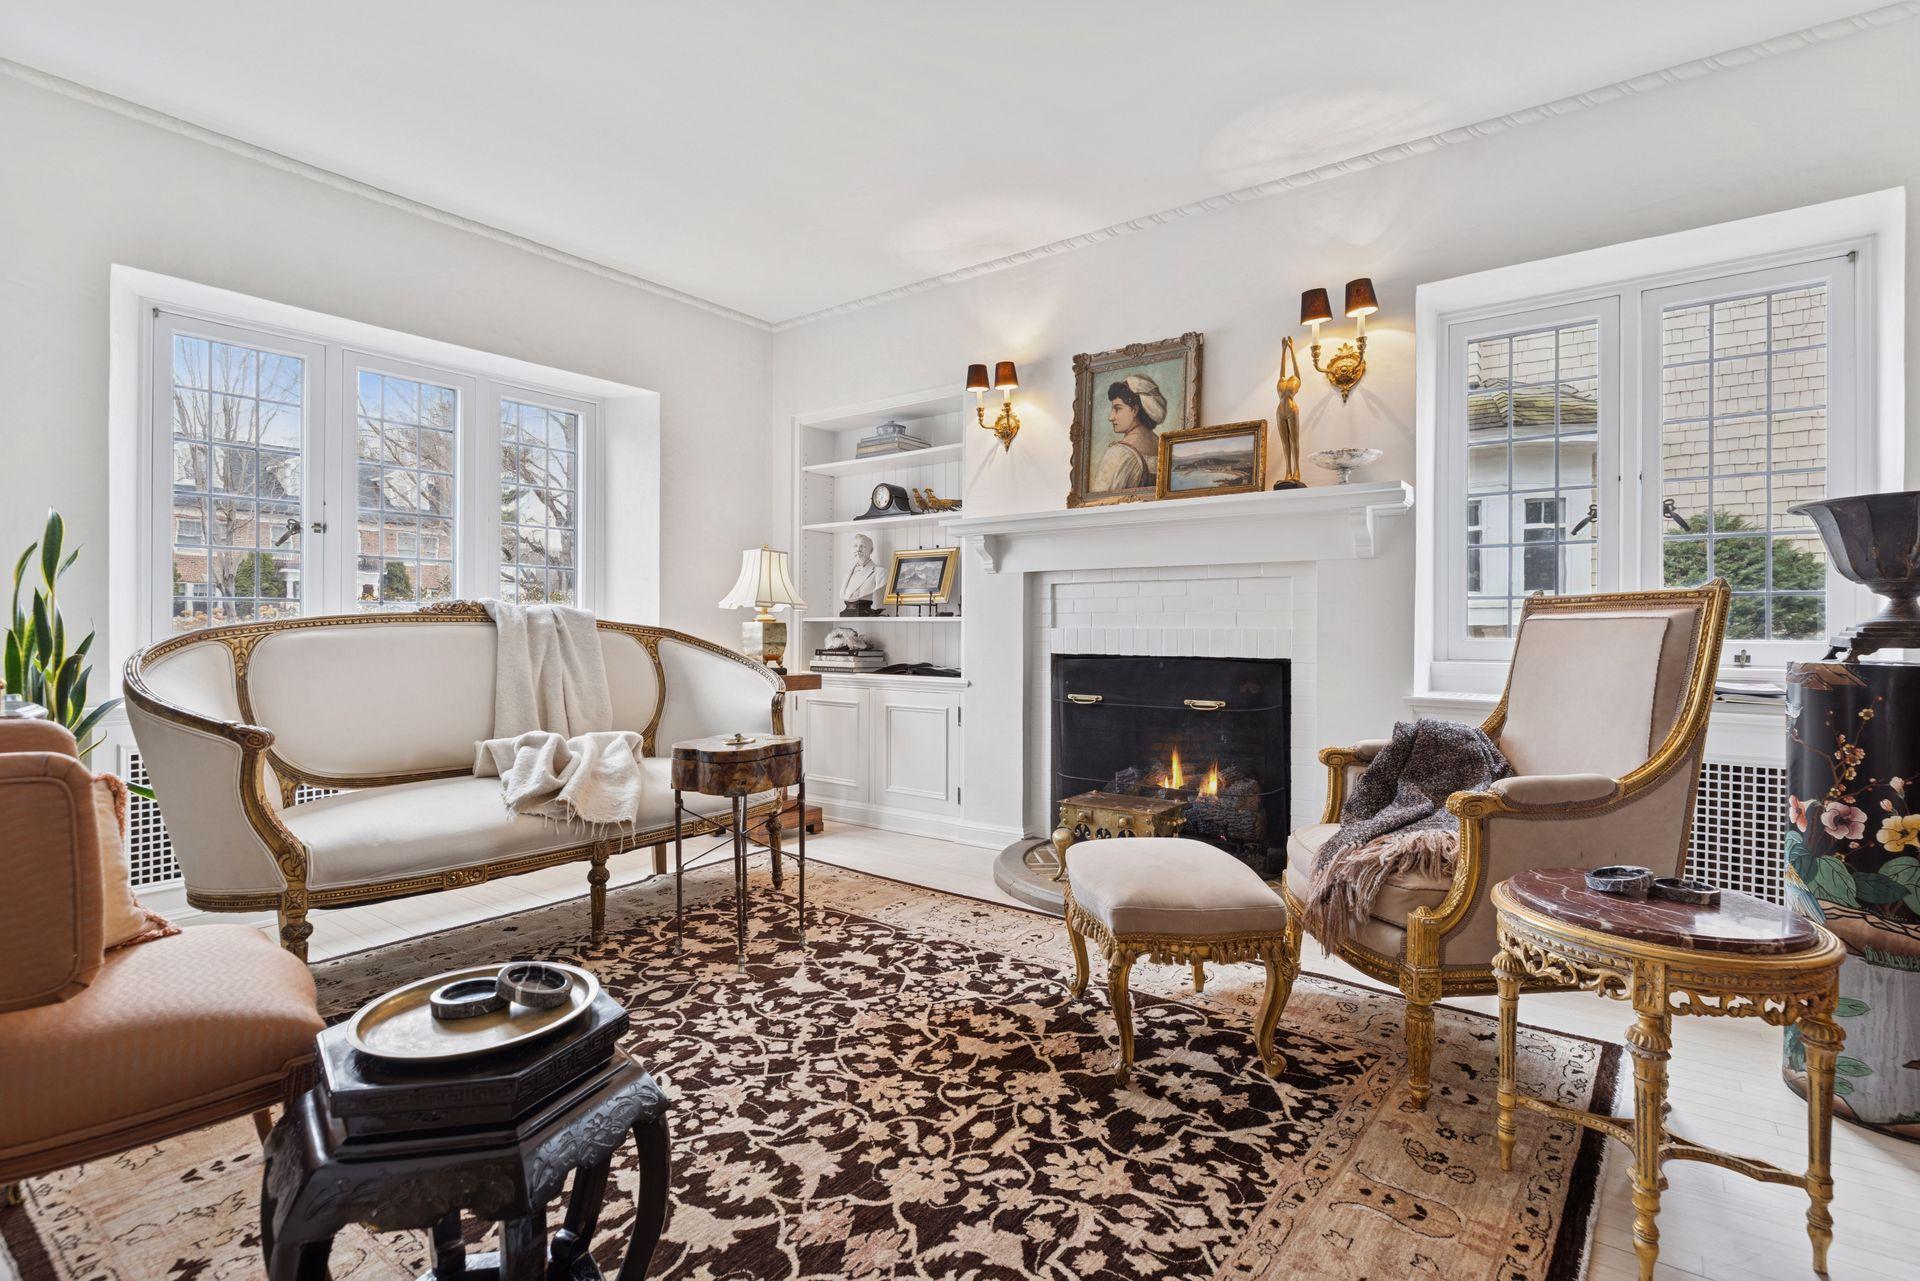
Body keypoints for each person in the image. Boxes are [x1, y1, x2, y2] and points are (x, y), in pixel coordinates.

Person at [1091, 373, 1169, 493]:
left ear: (1134, 410)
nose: (1111, 417)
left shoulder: (1119, 454)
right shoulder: (1164, 447)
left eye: (1117, 408)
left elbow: (1099, 502)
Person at [840, 533, 881, 614]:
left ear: (871, 550)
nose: (858, 549)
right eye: (855, 546)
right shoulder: (847, 574)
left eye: (862, 546)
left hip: (864, 609)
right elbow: (842, 594)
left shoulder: (879, 572)